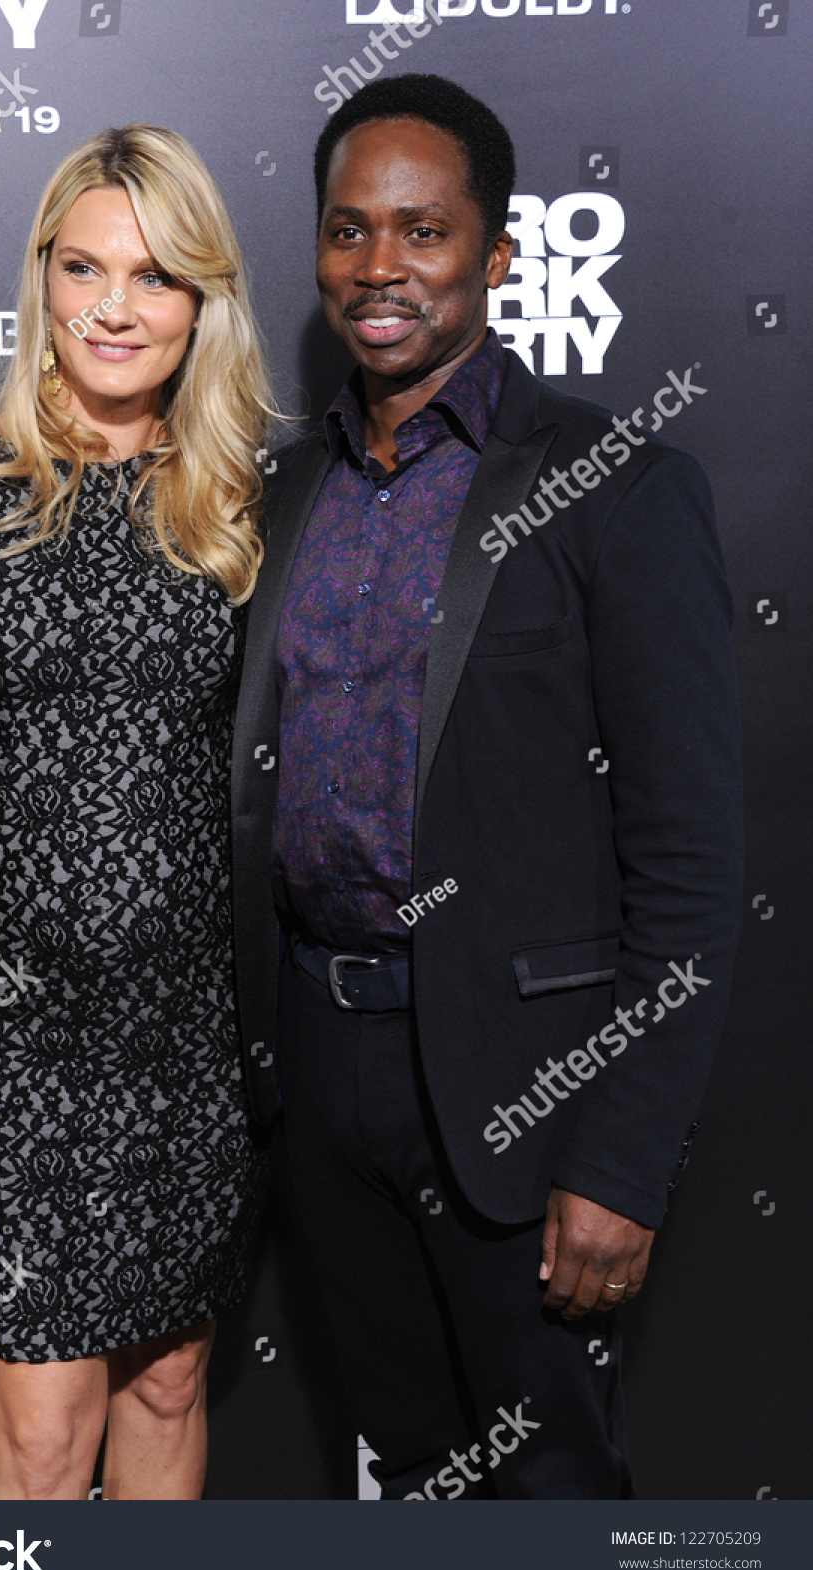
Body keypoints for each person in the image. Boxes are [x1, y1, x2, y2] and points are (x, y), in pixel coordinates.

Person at [229, 76, 742, 1498]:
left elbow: (690, 863)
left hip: (524, 1095)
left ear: (496, 254)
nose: (378, 268)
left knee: (551, 1493)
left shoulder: (612, 486)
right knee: (414, 1473)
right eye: (346, 231)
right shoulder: (278, 496)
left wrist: (622, 1159)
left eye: (421, 232)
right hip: (321, 1078)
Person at [0, 125, 272, 1501]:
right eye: (84, 267)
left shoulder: (243, 494)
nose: (115, 306)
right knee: (37, 1434)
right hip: (2, 1032)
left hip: (182, 1026)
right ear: (42, 280)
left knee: (170, 1380)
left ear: (202, 301)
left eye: (154, 275)